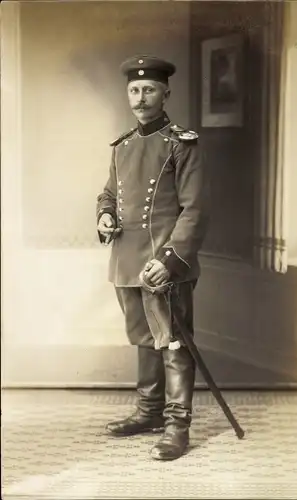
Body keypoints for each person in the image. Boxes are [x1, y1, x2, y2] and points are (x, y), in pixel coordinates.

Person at [96, 55, 210, 460]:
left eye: (148, 89)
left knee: (173, 343)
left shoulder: (180, 143)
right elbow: (108, 194)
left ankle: (177, 426)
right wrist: (106, 215)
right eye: (134, 90)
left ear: (165, 93)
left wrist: (170, 260)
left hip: (164, 264)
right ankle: (149, 412)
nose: (140, 97)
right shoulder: (122, 146)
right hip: (127, 262)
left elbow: (194, 209)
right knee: (144, 340)